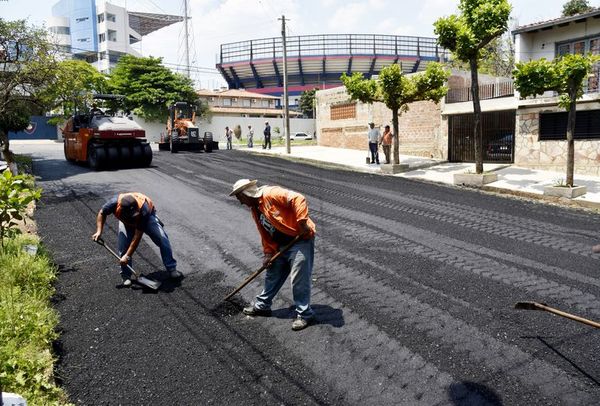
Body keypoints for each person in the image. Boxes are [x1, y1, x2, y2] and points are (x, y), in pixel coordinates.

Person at [229, 179, 316, 331]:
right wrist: (268, 253)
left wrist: (302, 224)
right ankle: (262, 306)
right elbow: (265, 233)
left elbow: (298, 198)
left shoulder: (271, 193)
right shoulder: (255, 209)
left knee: (298, 278)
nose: (240, 202)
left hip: (299, 240)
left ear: (246, 194)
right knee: (272, 274)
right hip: (280, 245)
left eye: (239, 197)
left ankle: (304, 314)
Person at [91, 192, 181, 287]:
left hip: (147, 217)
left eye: (135, 212)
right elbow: (102, 213)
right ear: (122, 210)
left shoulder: (143, 209)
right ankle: (126, 276)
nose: (134, 215)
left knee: (162, 238)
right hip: (125, 222)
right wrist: (99, 231)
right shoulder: (113, 204)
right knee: (123, 247)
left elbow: (137, 237)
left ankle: (171, 269)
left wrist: (128, 256)